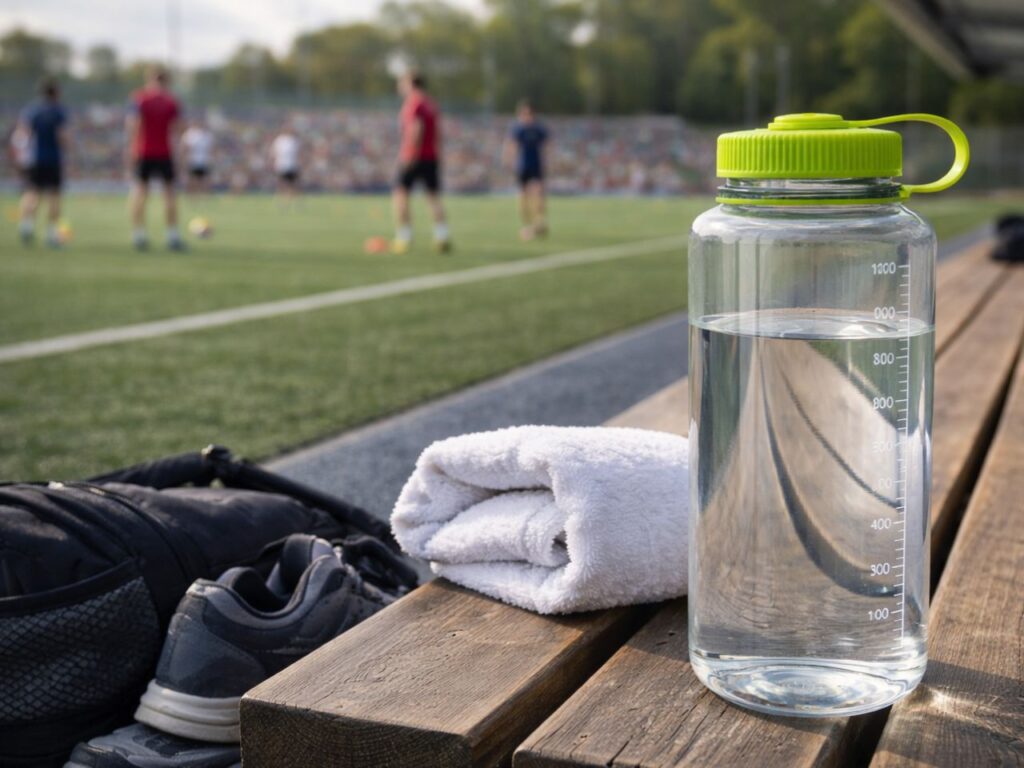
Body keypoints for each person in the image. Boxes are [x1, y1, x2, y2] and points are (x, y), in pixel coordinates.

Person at [126, 66, 184, 251]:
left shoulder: (140, 98)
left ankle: (139, 235)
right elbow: (179, 129)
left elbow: (134, 126)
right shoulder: (171, 101)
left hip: (143, 151)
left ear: (149, 79)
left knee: (139, 194)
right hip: (164, 152)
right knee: (169, 195)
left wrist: (131, 149)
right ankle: (172, 236)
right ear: (166, 81)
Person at [392, 72, 450, 254]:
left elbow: (416, 128)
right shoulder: (431, 104)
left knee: (400, 195)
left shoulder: (414, 103)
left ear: (410, 83)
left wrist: (411, 154)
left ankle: (404, 237)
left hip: (414, 156)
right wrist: (438, 154)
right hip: (431, 156)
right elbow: (438, 132)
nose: (400, 87)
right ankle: (442, 236)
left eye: (402, 83)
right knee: (433, 197)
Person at [17, 78, 68, 248]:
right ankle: (52, 233)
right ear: (55, 93)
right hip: (53, 159)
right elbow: (62, 136)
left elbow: (22, 136)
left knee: (31, 193)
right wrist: (68, 150)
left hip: (34, 160)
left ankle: (26, 226)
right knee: (54, 196)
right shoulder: (58, 111)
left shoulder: (32, 111)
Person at [503, 99, 549, 240]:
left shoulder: (538, 129)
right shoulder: (518, 129)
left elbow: (546, 146)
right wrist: (508, 160)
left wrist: (547, 162)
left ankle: (539, 221)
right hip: (523, 166)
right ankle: (528, 225)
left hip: (536, 165)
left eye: (528, 113)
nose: (526, 116)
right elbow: (511, 145)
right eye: (523, 113)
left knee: (538, 193)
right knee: (523, 197)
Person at [181, 119, 214, 196]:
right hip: (192, 160)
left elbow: (211, 149)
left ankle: (203, 196)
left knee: (204, 180)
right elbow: (185, 148)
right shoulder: (189, 134)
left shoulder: (206, 135)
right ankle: (192, 197)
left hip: (203, 160)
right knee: (192, 180)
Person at [270, 124, 301, 203]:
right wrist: (273, 162)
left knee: (293, 184)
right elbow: (274, 152)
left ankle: (292, 200)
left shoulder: (294, 140)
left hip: (292, 165)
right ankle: (282, 200)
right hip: (281, 165)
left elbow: (298, 153)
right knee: (282, 184)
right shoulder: (279, 140)